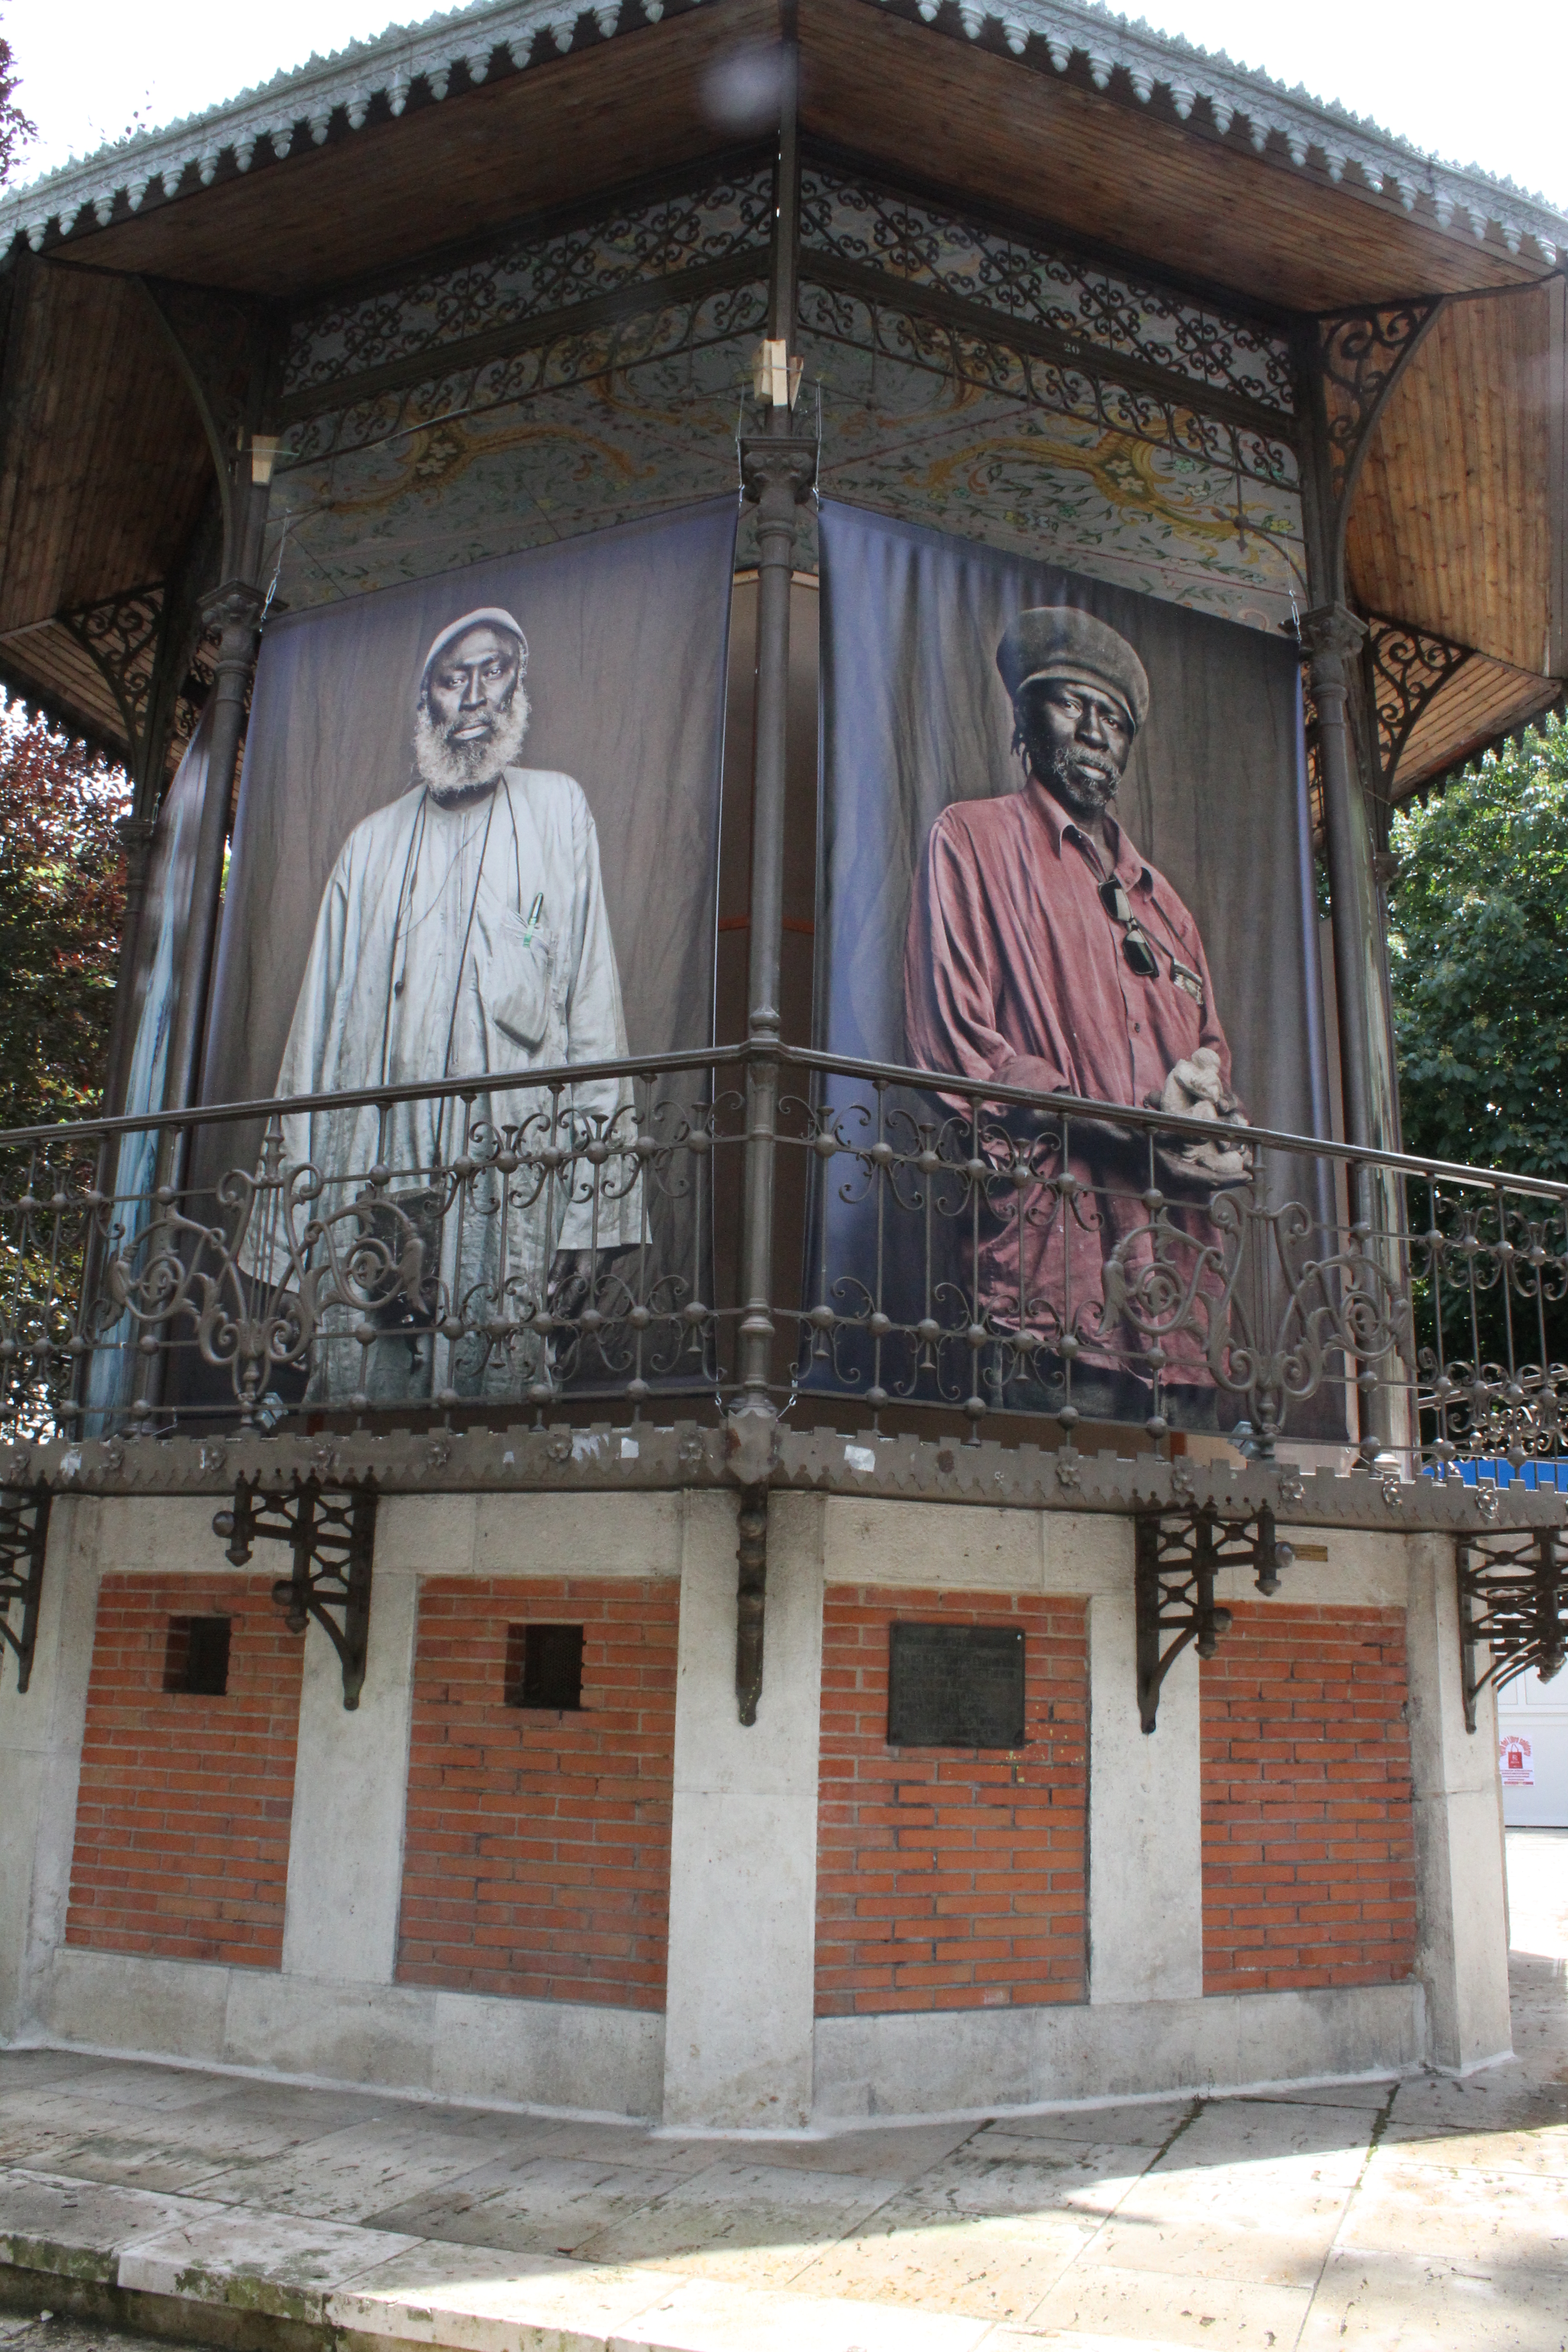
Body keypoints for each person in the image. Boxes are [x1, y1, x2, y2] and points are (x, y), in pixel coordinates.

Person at [244, 607, 641, 1403]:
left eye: (492, 671)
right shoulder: (370, 845)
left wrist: (598, 1209)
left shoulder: (559, 809)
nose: (473, 696)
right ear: (425, 698)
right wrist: (284, 1240)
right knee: (367, 1384)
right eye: (452, 679)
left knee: (497, 1371)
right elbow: (312, 1042)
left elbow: (591, 1003)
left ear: (517, 682)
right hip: (378, 1158)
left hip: (510, 1148)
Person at [903, 604, 1248, 1416]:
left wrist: (1218, 1134)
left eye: (1115, 719)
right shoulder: (973, 840)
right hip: (1054, 1267)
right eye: (1071, 703)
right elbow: (959, 1046)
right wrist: (1117, 1128)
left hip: (1177, 1277)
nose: (1094, 730)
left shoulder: (1167, 909)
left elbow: (1212, 1062)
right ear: (1025, 716)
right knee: (1049, 1505)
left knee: (1182, 1512)